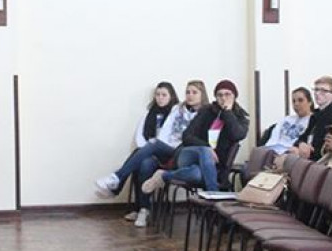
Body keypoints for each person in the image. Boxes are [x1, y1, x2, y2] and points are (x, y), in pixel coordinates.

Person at [95, 81, 206, 227]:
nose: (190, 96)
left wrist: (155, 146)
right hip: (166, 150)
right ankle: (144, 210)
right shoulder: (177, 109)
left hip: (182, 153)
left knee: (152, 144)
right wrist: (156, 147)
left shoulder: (205, 113)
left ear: (202, 94)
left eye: (194, 92)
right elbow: (165, 131)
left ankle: (117, 178)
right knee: (145, 163)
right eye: (188, 92)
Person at [142, 80, 249, 193]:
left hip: (213, 166)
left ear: (234, 96)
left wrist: (227, 112)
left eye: (227, 94)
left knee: (196, 174)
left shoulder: (240, 117)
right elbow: (187, 136)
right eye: (219, 95)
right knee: (204, 151)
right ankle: (214, 195)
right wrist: (207, 147)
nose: (223, 98)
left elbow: (237, 135)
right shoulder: (207, 111)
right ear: (215, 97)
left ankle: (164, 176)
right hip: (188, 155)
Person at [290, 76, 332, 160]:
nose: (318, 93)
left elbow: (325, 150)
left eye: (324, 91)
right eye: (316, 90)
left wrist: (307, 150)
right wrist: (301, 143)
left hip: (317, 162)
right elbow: (303, 137)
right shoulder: (316, 114)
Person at [260, 87, 313, 155]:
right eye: (294, 101)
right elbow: (273, 139)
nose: (296, 104)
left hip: (292, 154)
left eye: (300, 100)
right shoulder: (286, 119)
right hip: (274, 152)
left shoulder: (312, 121)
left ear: (310, 102)